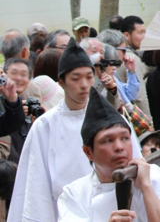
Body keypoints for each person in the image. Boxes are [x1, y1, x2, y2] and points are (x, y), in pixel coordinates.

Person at [8, 39, 142, 222]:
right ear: (61, 82)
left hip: (113, 207)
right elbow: (36, 185)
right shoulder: (45, 125)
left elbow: (135, 163)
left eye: (89, 76)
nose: (84, 84)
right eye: (76, 78)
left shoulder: (111, 119)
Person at [57, 88, 160, 221]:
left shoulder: (157, 179)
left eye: (124, 138)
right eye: (108, 141)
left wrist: (146, 187)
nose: (119, 147)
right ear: (88, 152)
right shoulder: (76, 194)